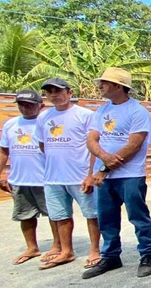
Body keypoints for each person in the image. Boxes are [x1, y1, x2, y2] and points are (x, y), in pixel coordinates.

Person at [83, 67, 151, 279]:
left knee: (138, 216)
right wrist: (103, 159)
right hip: (105, 177)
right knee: (107, 218)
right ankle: (111, 256)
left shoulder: (137, 111)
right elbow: (91, 140)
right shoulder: (101, 111)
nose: (100, 86)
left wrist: (105, 167)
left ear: (118, 86)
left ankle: (147, 254)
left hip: (130, 175)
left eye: (105, 83)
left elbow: (134, 145)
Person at [35, 77, 101, 270]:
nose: (54, 95)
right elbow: (42, 145)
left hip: (80, 176)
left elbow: (94, 146)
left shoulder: (85, 115)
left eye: (58, 91)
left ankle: (95, 250)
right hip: (53, 177)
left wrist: (90, 174)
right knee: (60, 215)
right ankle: (66, 251)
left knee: (92, 214)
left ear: (69, 93)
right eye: (49, 92)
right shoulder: (43, 117)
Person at [0, 89, 59, 265]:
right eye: (21, 105)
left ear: (41, 105)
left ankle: (57, 246)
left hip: (46, 178)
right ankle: (32, 247)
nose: (25, 108)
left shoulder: (48, 123)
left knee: (55, 214)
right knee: (25, 215)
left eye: (29, 105)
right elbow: (3, 149)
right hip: (20, 179)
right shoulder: (11, 124)